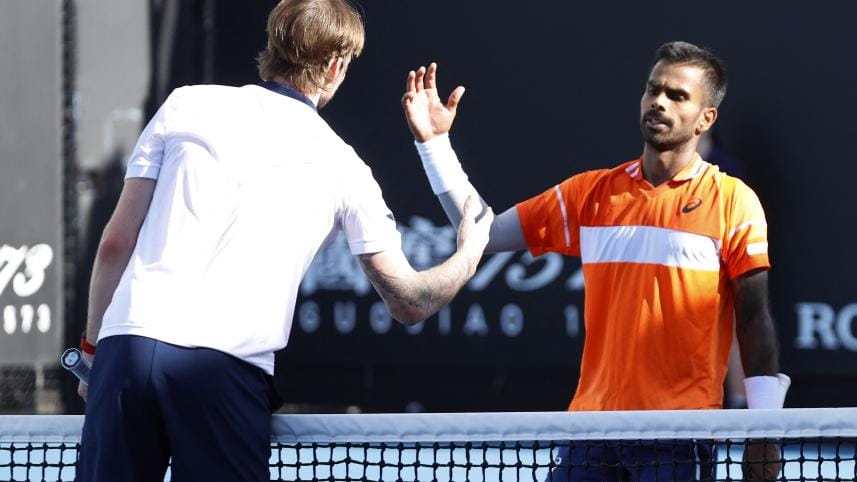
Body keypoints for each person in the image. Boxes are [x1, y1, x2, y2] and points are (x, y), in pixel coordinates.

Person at [75, 1, 494, 481]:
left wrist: (93, 352)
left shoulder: (185, 104)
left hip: (125, 350)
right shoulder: (344, 165)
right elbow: (409, 301)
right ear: (334, 65)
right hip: (221, 372)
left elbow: (115, 243)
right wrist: (468, 255)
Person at [401, 42, 788, 481]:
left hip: (679, 433)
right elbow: (482, 234)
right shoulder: (592, 193)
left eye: (677, 95)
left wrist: (765, 432)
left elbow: (754, 319)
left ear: (706, 119)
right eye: (653, 89)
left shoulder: (734, 201)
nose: (659, 101)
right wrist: (434, 145)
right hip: (591, 429)